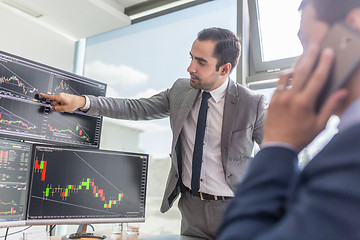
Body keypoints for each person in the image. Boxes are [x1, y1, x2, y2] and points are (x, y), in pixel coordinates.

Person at [40, 27, 267, 239]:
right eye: (191, 57)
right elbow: (136, 107)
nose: (190, 68)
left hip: (236, 208)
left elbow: (277, 155)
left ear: (224, 69)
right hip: (192, 208)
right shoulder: (181, 89)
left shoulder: (251, 103)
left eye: (201, 62)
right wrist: (81, 102)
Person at [216, 0, 360, 239]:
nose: (299, 64)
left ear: (352, 28)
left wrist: (278, 145)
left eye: (305, 43)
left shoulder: (352, 155)